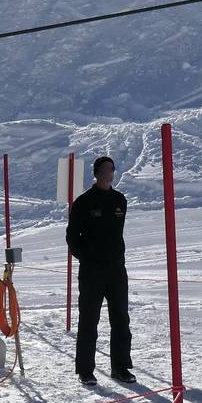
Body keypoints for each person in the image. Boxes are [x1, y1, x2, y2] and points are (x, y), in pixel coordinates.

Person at [65, 156, 134, 386]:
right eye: (104, 170)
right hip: (92, 272)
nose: (108, 174)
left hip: (116, 270)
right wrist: (87, 257)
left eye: (111, 170)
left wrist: (116, 258)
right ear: (95, 173)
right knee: (89, 320)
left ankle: (120, 368)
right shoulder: (83, 202)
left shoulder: (119, 200)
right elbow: (72, 237)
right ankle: (85, 370)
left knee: (121, 319)